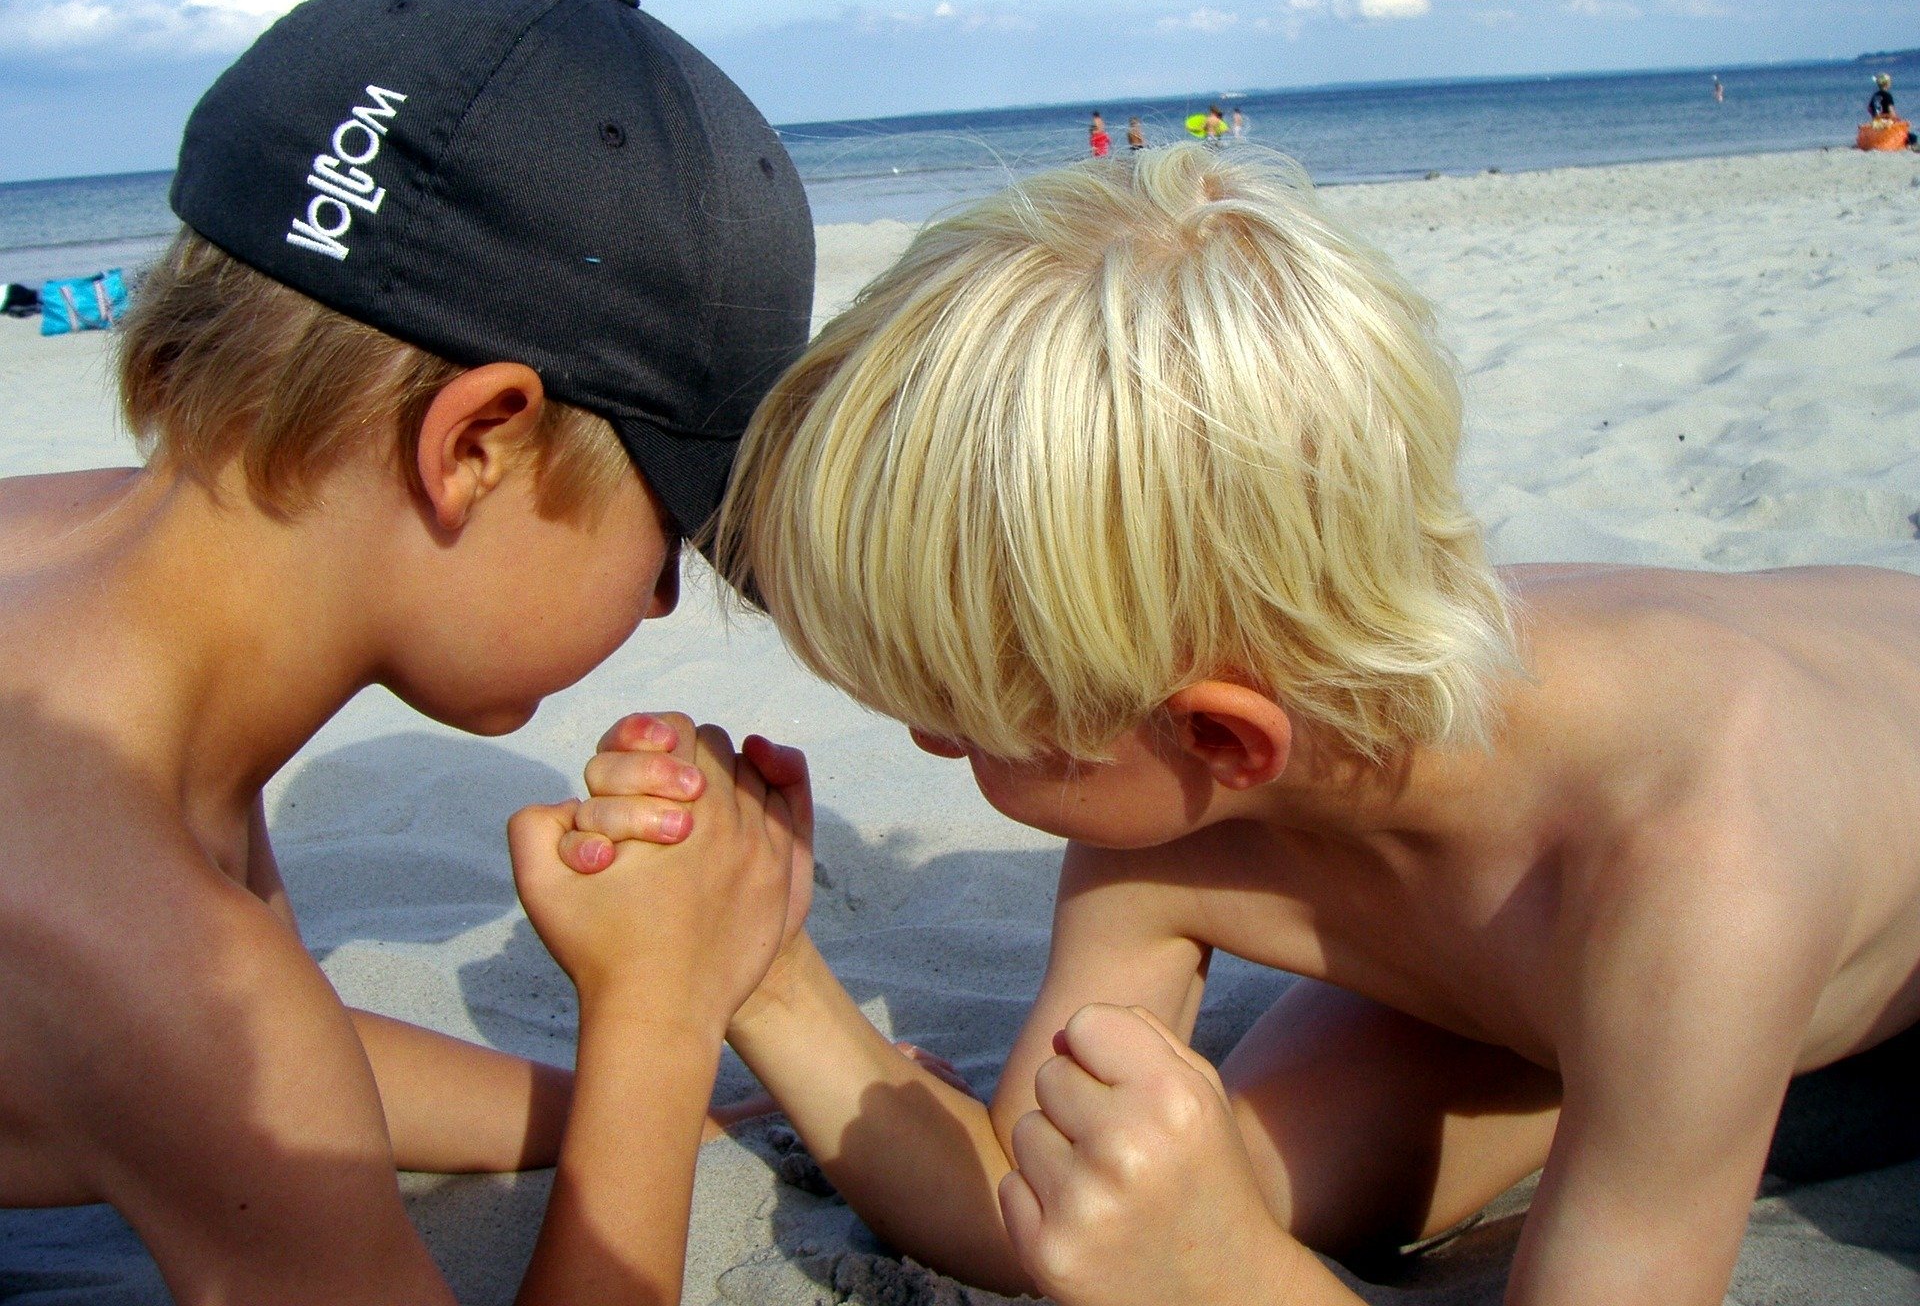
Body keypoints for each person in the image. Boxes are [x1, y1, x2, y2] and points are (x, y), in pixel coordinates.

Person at [588, 142, 1920, 1306]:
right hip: (1515, 975)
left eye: (961, 728)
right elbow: (1028, 1206)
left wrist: (1236, 1279)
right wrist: (764, 972)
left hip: (1794, 824)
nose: (933, 753)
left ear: (1219, 738)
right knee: (1192, 1184)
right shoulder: (1171, 794)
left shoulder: (1693, 866)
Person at [0, 0, 820, 1305]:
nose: (659, 601)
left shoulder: (101, 600)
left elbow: (277, 1083)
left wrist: (622, 1108)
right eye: (668, 531)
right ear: (479, 447)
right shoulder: (148, 946)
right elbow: (219, 1050)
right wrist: (660, 1021)